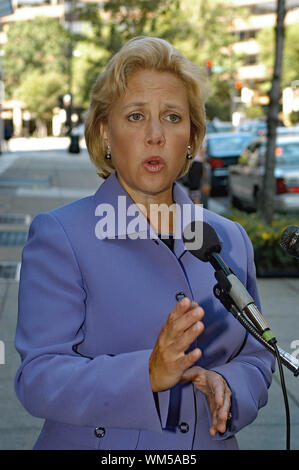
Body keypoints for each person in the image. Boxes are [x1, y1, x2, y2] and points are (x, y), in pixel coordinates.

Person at [15, 36, 274, 451]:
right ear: (105, 132)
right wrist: (147, 374)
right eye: (136, 116)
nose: (155, 135)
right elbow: (40, 378)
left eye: (172, 117)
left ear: (191, 135)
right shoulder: (60, 236)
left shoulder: (230, 238)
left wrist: (229, 384)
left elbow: (257, 356)